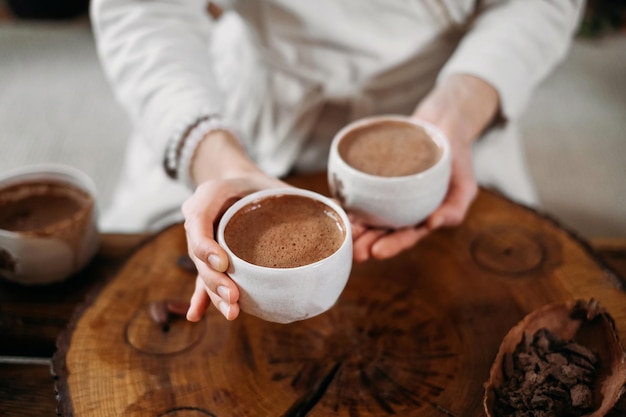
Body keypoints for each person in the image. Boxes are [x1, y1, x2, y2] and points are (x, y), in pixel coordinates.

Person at [90, 0, 584, 321]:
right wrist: (212, 155)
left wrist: (457, 111)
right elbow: (141, 10)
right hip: (243, 110)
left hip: (446, 101)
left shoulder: (453, 112)